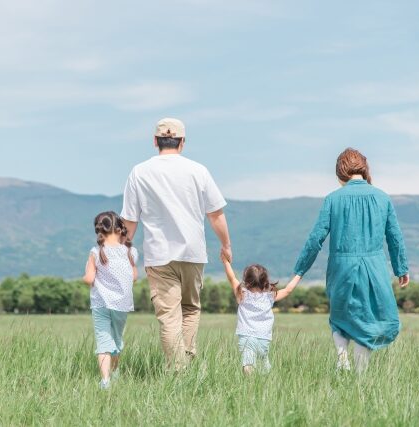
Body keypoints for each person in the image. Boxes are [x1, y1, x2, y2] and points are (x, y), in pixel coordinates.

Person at [120, 118, 232, 371]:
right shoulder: (198, 170)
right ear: (182, 142)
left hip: (159, 255)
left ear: (155, 141)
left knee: (169, 317)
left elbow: (129, 219)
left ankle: (177, 370)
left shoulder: (139, 171)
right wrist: (226, 245)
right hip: (193, 253)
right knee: (190, 309)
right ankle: (186, 366)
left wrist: (124, 251)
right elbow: (216, 214)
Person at [292, 148, 409, 372]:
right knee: (371, 316)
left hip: (340, 266)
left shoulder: (332, 199)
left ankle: (342, 357)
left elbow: (316, 238)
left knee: (340, 316)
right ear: (364, 169)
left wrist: (300, 271)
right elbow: (395, 237)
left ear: (340, 172)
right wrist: (401, 267)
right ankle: (360, 371)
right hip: (374, 266)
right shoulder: (382, 197)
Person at [83, 211, 138, 389]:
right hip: (122, 305)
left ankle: (105, 380)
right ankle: (115, 373)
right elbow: (134, 276)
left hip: (100, 304)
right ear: (119, 228)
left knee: (103, 341)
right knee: (116, 339)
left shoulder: (96, 252)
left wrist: (86, 274)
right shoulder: (130, 252)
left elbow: (89, 278)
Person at [223, 258, 300, 374]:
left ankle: (250, 383)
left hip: (247, 336)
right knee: (263, 363)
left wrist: (226, 262)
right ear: (265, 281)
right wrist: (299, 274)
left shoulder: (242, 293)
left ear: (247, 280)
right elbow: (288, 290)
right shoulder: (269, 297)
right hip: (264, 338)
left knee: (248, 363)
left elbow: (232, 278)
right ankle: (264, 382)